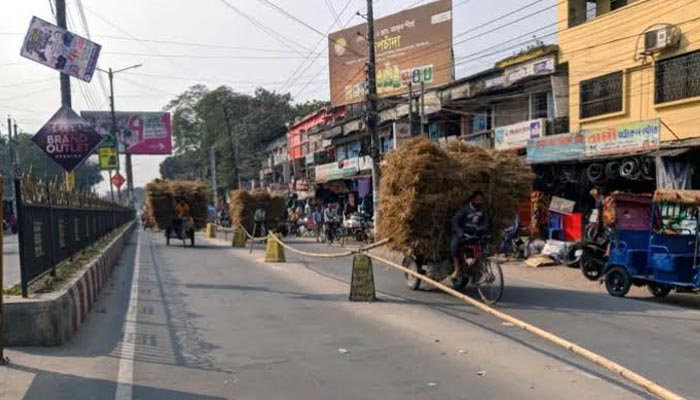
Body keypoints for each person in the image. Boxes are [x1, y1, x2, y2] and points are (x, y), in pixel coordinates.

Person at [450, 191, 489, 280]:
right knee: (454, 247)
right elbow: (454, 221)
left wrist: (483, 229)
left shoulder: (482, 210)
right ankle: (457, 269)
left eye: (481, 200)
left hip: (474, 235)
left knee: (481, 248)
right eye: (477, 199)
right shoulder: (465, 209)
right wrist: (460, 232)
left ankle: (475, 269)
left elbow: (485, 222)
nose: (479, 202)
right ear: (473, 199)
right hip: (462, 234)